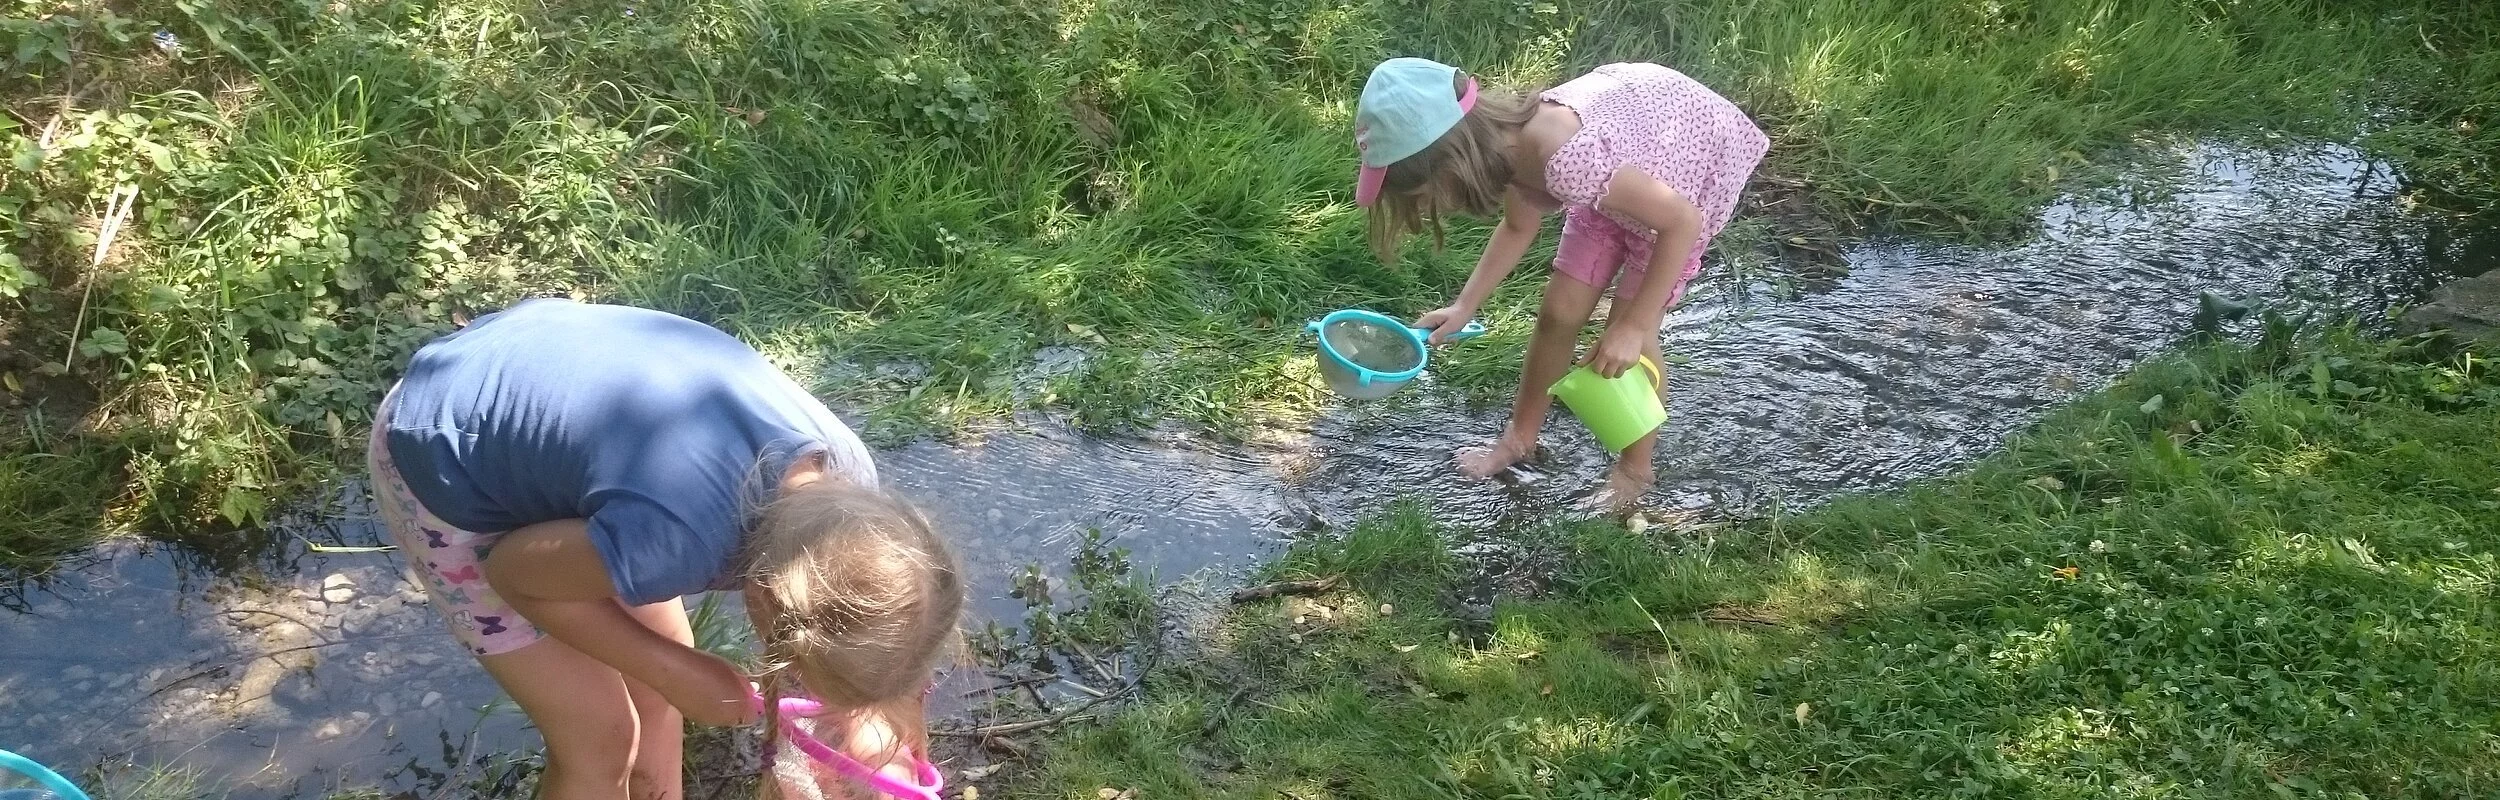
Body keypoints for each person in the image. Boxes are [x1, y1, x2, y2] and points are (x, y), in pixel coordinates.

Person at [368, 297, 964, 800]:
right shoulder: (675, 542)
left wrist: (868, 719)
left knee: (666, 657)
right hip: (445, 444)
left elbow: (868, 619)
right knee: (600, 736)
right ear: (764, 594)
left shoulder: (848, 493)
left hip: (551, 366)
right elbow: (513, 572)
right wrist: (673, 670)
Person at [1354, 57, 1767, 503]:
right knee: (1558, 313)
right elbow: (1517, 227)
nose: (1436, 206)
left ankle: (1636, 469)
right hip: (1623, 178)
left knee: (1632, 339)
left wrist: (1631, 326)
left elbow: (1681, 222)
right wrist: (1465, 305)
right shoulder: (1507, 151)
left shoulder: (1564, 159)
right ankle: (1519, 439)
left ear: (1454, 160)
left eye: (1426, 195)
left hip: (1683, 171)